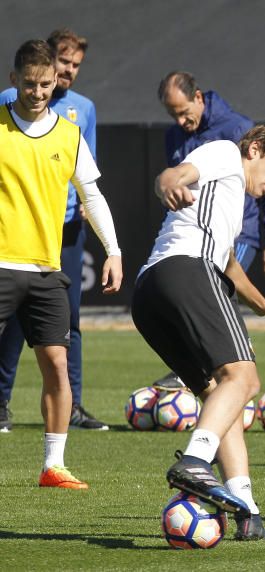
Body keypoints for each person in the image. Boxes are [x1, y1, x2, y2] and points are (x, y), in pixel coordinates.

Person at [131, 123, 265, 540]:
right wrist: (168, 183)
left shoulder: (224, 203)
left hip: (150, 293)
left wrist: (263, 305)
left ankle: (246, 508)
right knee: (244, 379)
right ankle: (194, 461)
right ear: (256, 149)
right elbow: (173, 175)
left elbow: (228, 263)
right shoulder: (226, 153)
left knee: (218, 396)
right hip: (185, 271)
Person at [0, 39, 123, 488]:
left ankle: (54, 465)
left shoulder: (69, 135)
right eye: (29, 84)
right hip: (0, 264)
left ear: (56, 81)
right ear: (14, 80)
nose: (37, 92)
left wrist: (113, 250)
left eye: (45, 84)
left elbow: (92, 195)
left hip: (47, 269)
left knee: (56, 361)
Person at [151, 71, 265, 391]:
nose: (181, 121)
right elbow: (175, 179)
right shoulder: (174, 136)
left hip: (239, 232)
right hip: (197, 231)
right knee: (204, 291)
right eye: (173, 115)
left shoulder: (236, 128)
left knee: (219, 285)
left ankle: (226, 360)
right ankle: (216, 364)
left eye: (185, 112)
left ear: (198, 98)